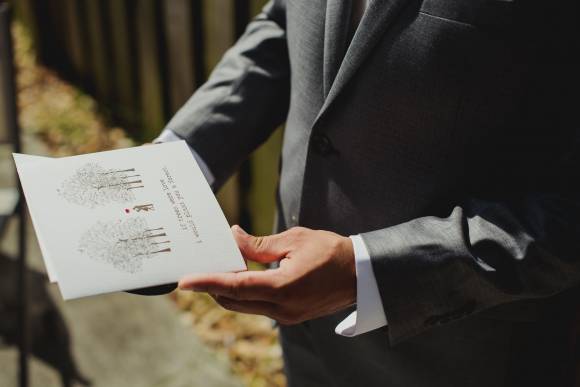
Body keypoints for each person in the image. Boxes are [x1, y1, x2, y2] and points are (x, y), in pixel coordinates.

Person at [149, 0, 580, 385]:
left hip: (459, 356)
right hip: (306, 342)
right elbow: (285, 24)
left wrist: (368, 271)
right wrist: (176, 161)